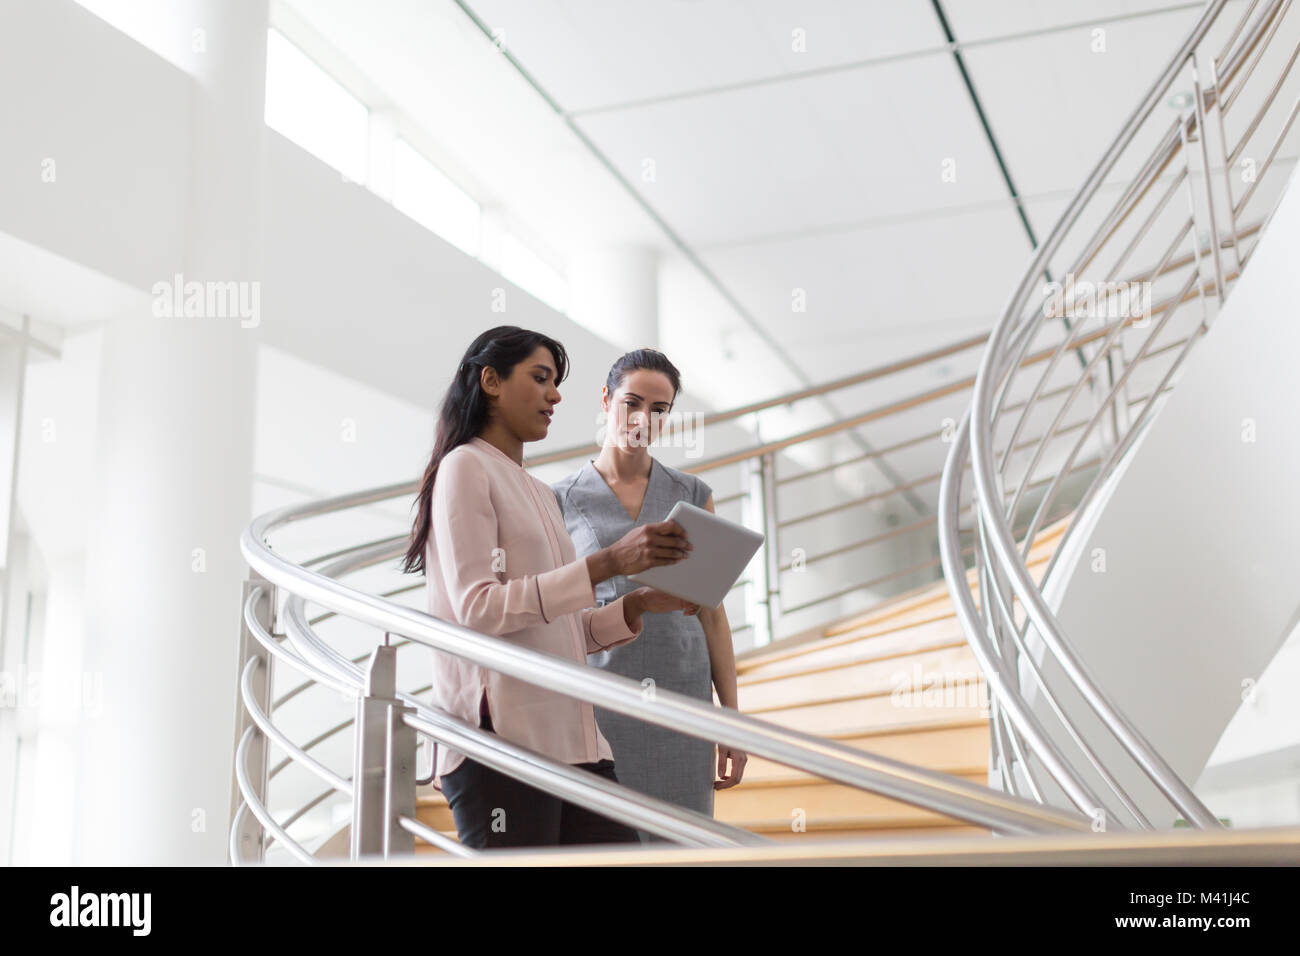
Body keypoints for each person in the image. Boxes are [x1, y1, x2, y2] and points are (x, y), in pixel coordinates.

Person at [400, 326, 695, 849]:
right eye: (540, 378)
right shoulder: (464, 466)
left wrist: (636, 604)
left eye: (556, 382)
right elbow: (479, 609)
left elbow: (557, 627)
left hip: (575, 740)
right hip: (502, 743)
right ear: (490, 381)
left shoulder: (539, 491)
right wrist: (606, 564)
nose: (555, 395)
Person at [551, 348, 747, 842]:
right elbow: (554, 611)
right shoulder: (558, 500)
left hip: (683, 698)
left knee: (683, 842)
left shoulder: (692, 493)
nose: (643, 419)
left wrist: (731, 716)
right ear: (606, 400)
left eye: (659, 409)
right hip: (601, 699)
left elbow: (713, 615)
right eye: (631, 403)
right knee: (605, 844)